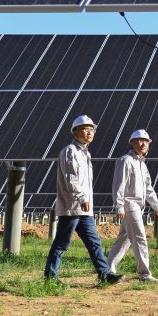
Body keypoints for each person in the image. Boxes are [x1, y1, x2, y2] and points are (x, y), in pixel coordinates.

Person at [43, 115, 121, 285]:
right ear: (75, 131)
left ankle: (105, 274)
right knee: (62, 243)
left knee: (94, 242)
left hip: (85, 208)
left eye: (91, 129)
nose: (89, 132)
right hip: (72, 207)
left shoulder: (85, 153)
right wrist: (82, 197)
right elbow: (71, 178)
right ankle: (50, 276)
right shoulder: (70, 151)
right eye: (85, 129)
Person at [107, 129, 158, 283]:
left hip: (139, 206)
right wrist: (119, 206)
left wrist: (156, 205)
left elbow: (148, 187)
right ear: (131, 143)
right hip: (129, 204)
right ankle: (144, 274)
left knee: (124, 240)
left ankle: (108, 269)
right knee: (140, 238)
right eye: (138, 140)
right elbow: (119, 185)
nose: (142, 143)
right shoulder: (125, 160)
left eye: (145, 141)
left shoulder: (142, 164)